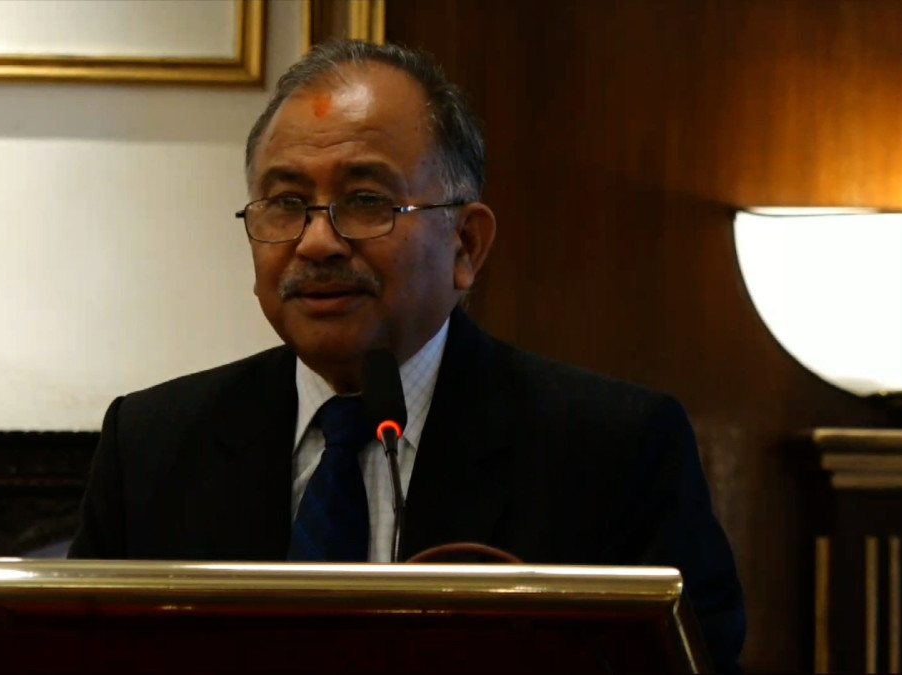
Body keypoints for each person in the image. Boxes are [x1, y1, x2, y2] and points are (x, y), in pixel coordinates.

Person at [69, 40, 745, 671]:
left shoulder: (614, 453)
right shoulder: (152, 447)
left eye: (367, 200)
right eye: (286, 203)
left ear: (465, 245)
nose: (316, 242)